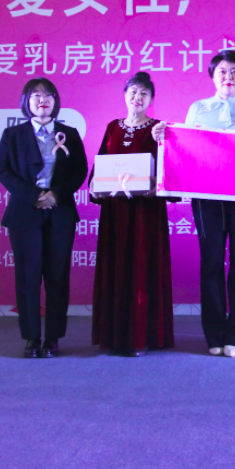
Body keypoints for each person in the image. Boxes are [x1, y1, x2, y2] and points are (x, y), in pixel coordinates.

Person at [153, 50, 235, 357]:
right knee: (212, 263)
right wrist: (163, 136)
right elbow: (184, 148)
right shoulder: (198, 109)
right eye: (222, 71)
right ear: (212, 76)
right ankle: (214, 333)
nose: (228, 77)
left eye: (234, 71)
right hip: (207, 197)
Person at [0, 78, 87, 358]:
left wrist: (56, 194)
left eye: (48, 95)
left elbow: (80, 171)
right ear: (27, 102)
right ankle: (32, 337)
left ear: (56, 101)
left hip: (60, 213)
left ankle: (53, 337)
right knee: (28, 276)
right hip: (25, 213)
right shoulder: (13, 135)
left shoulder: (69, 133)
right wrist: (33, 195)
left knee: (58, 276)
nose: (42, 99)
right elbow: (3, 170)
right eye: (35, 95)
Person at [89, 71, 174, 356]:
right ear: (125, 95)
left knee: (141, 270)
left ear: (151, 99)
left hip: (144, 215)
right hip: (115, 213)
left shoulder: (159, 128)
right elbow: (101, 163)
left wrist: (156, 182)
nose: (137, 97)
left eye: (144, 94)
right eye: (133, 92)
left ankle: (141, 336)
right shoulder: (112, 127)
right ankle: (114, 336)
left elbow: (170, 168)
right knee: (116, 271)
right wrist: (94, 187)